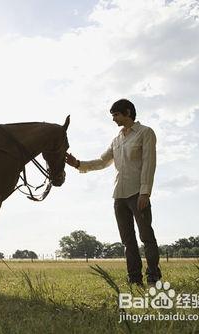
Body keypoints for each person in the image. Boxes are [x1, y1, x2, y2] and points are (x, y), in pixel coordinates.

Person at [65, 99, 161, 286]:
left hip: (137, 193)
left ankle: (153, 277)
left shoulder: (145, 133)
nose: (113, 119)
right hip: (119, 196)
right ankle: (134, 279)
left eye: (116, 115)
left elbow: (149, 163)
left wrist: (145, 192)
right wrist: (78, 164)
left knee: (146, 237)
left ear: (127, 112)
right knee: (128, 241)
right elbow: (102, 162)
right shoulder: (116, 140)